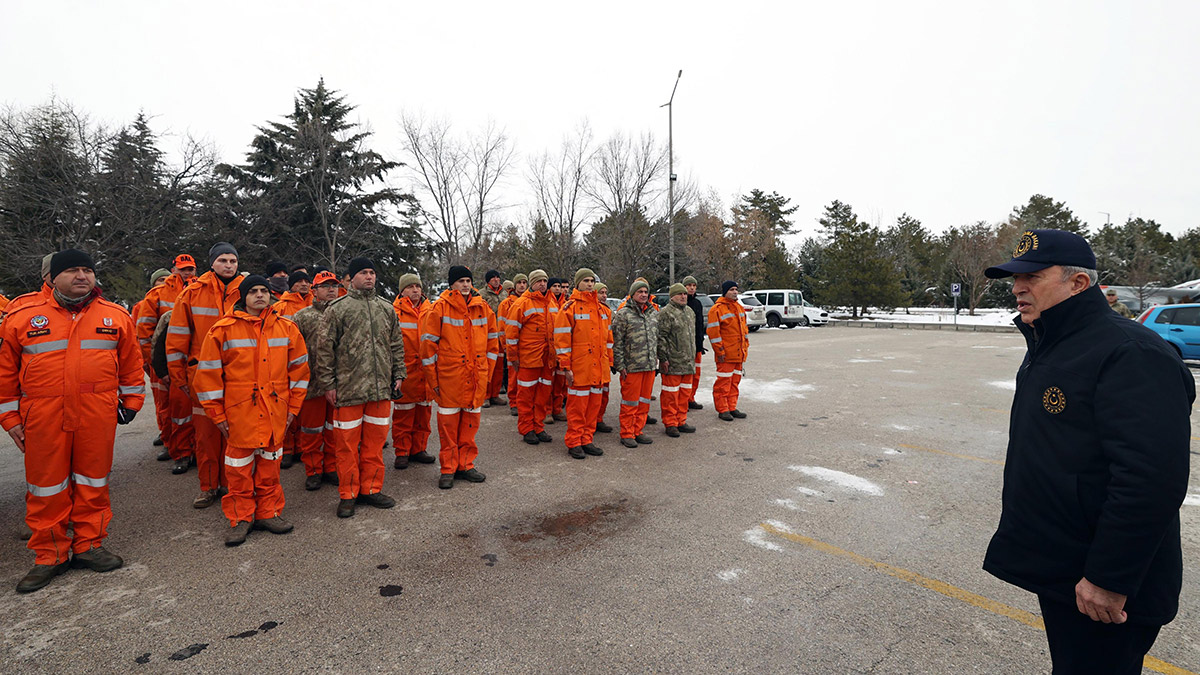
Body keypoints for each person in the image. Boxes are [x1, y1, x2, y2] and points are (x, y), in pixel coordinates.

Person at [980, 229, 1194, 674]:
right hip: (1067, 567)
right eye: (1014, 278)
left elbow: (1149, 479)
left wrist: (1109, 578)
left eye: (1033, 276)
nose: (1018, 287)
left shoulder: (1130, 353)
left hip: (1104, 584)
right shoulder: (1052, 342)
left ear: (1078, 283)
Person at [0, 249, 146, 593]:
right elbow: (5, 373)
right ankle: (50, 555)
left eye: (87, 270)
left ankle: (89, 545)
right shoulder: (22, 316)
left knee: (93, 481)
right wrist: (9, 416)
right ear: (50, 278)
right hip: (42, 414)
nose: (82, 276)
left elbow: (131, 363)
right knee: (46, 486)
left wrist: (133, 401)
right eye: (73, 270)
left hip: (96, 412)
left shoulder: (114, 315)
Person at [193, 276, 309, 546]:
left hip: (275, 411)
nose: (260, 295)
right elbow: (208, 377)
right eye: (253, 291)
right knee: (238, 469)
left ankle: (269, 512)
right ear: (243, 297)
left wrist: (292, 409)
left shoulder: (286, 328)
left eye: (264, 291)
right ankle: (241, 518)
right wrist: (218, 416)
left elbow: (300, 372)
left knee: (270, 465)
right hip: (239, 413)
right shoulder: (222, 330)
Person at [315, 257, 405, 519]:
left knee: (374, 445)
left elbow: (396, 344)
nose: (369, 277)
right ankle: (348, 494)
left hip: (379, 391)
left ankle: (371, 489)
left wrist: (398, 374)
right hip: (348, 390)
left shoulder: (386, 308)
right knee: (346, 447)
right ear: (351, 278)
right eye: (363, 272)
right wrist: (328, 384)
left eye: (372, 272)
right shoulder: (337, 309)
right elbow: (324, 350)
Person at [167, 243, 244, 508]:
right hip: (202, 377)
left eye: (233, 261)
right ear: (212, 263)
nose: (229, 265)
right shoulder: (191, 294)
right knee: (206, 437)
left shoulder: (248, 290)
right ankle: (209, 487)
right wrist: (180, 379)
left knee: (235, 436)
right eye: (223, 260)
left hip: (238, 376)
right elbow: (177, 339)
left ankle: (233, 486)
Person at [420, 266, 498, 489]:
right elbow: (427, 349)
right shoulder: (439, 309)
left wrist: (487, 374)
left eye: (468, 280)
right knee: (448, 427)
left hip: (476, 377)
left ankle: (466, 465)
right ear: (452, 283)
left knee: (470, 425)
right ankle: (448, 469)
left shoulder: (483, 308)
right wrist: (434, 382)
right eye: (461, 281)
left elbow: (493, 345)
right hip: (449, 379)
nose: (465, 284)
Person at [292, 271, 342, 490]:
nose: (331, 289)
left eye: (334, 285)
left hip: (339, 383)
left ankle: (331, 467)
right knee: (311, 430)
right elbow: (293, 352)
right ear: (314, 291)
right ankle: (313, 470)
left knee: (334, 429)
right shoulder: (302, 317)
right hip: (312, 385)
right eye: (325, 286)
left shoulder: (345, 312)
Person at [553, 268, 609, 459]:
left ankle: (587, 439)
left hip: (597, 368)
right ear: (577, 283)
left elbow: (607, 340)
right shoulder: (570, 308)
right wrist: (565, 367)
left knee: (593, 407)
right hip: (579, 368)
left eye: (592, 281)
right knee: (577, 408)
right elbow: (561, 340)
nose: (590, 284)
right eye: (586, 280)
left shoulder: (601, 310)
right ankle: (574, 441)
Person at [391, 273, 436, 470]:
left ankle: (419, 449)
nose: (415, 290)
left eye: (418, 286)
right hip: (406, 371)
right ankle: (402, 452)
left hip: (425, 372)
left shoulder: (431, 309)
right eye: (410, 287)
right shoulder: (393, 312)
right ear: (402, 291)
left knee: (423, 415)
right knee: (403, 415)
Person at [506, 270, 556, 445]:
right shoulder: (522, 304)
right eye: (538, 281)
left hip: (547, 359)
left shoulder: (552, 302)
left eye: (544, 280)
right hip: (528, 359)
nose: (542, 284)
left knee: (542, 395)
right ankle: (527, 428)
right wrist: (513, 357)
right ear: (531, 283)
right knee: (526, 396)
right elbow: (511, 333)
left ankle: (538, 426)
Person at [272, 269, 314, 469]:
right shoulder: (280, 306)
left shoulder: (317, 303)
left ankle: (304, 448)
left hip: (312, 361)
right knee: (288, 406)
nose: (304, 284)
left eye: (307, 281)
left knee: (306, 410)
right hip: (286, 362)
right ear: (291, 284)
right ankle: (288, 449)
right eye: (299, 282)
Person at [611, 279, 659, 448]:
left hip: (649, 365)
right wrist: (620, 365)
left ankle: (638, 430)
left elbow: (657, 339)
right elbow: (617, 342)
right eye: (640, 292)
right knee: (630, 403)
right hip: (632, 367)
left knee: (644, 402)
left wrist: (657, 360)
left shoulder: (653, 313)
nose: (644, 295)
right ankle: (627, 433)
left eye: (646, 292)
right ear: (633, 294)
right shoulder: (624, 314)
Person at [149, 309, 194, 475]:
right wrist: (162, 372)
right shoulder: (172, 318)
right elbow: (159, 345)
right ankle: (182, 454)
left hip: (204, 374)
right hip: (179, 376)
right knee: (181, 419)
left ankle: (197, 453)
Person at [134, 268, 171, 457]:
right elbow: (140, 334)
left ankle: (172, 438)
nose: (163, 282)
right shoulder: (143, 305)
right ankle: (166, 437)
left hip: (169, 360)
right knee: (162, 403)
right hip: (154, 359)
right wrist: (149, 362)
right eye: (160, 280)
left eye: (167, 279)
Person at [658, 283, 697, 437]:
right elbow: (661, 337)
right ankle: (670, 423)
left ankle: (681, 420)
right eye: (679, 294)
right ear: (672, 296)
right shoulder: (666, 313)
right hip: (672, 362)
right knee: (670, 395)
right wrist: (663, 358)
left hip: (687, 362)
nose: (683, 296)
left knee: (684, 394)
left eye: (685, 294)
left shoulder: (689, 312)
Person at [707, 281, 749, 422]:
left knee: (734, 383)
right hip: (725, 355)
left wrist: (745, 348)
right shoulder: (717, 309)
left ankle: (732, 407)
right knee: (723, 383)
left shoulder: (739, 308)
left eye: (736, 289)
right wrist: (720, 351)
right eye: (731, 289)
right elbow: (713, 333)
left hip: (739, 354)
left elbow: (744, 331)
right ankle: (723, 409)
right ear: (725, 291)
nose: (735, 292)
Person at [498, 273, 528, 416]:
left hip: (527, 348)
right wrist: (506, 347)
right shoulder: (505, 304)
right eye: (519, 283)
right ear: (514, 285)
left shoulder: (530, 301)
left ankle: (524, 402)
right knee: (513, 377)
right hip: (512, 346)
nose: (522, 285)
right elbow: (502, 327)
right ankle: (514, 403)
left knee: (526, 379)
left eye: (524, 282)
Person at [479, 269, 507, 407]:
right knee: (487, 366)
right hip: (487, 335)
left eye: (498, 277)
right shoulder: (481, 295)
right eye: (493, 278)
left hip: (501, 334)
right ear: (488, 280)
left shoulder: (504, 294)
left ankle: (495, 394)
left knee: (498, 367)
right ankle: (485, 396)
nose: (496, 280)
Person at [681, 275, 707, 410]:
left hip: (697, 346)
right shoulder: (682, 303)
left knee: (696, 374)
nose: (691, 288)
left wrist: (700, 343)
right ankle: (683, 400)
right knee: (686, 375)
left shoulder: (698, 303)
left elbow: (700, 325)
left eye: (694, 285)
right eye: (689, 285)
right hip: (685, 347)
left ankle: (691, 398)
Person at [593, 282, 614, 435]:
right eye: (601, 292)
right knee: (592, 395)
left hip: (605, 360)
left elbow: (610, 339)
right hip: (592, 361)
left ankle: (599, 419)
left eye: (606, 292)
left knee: (604, 393)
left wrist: (611, 361)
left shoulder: (607, 312)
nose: (604, 295)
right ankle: (591, 421)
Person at [547, 277, 568, 422]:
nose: (558, 288)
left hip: (562, 348)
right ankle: (547, 410)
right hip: (549, 349)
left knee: (560, 382)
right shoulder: (547, 303)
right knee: (549, 382)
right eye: (554, 286)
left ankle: (557, 408)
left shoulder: (567, 304)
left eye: (559, 286)